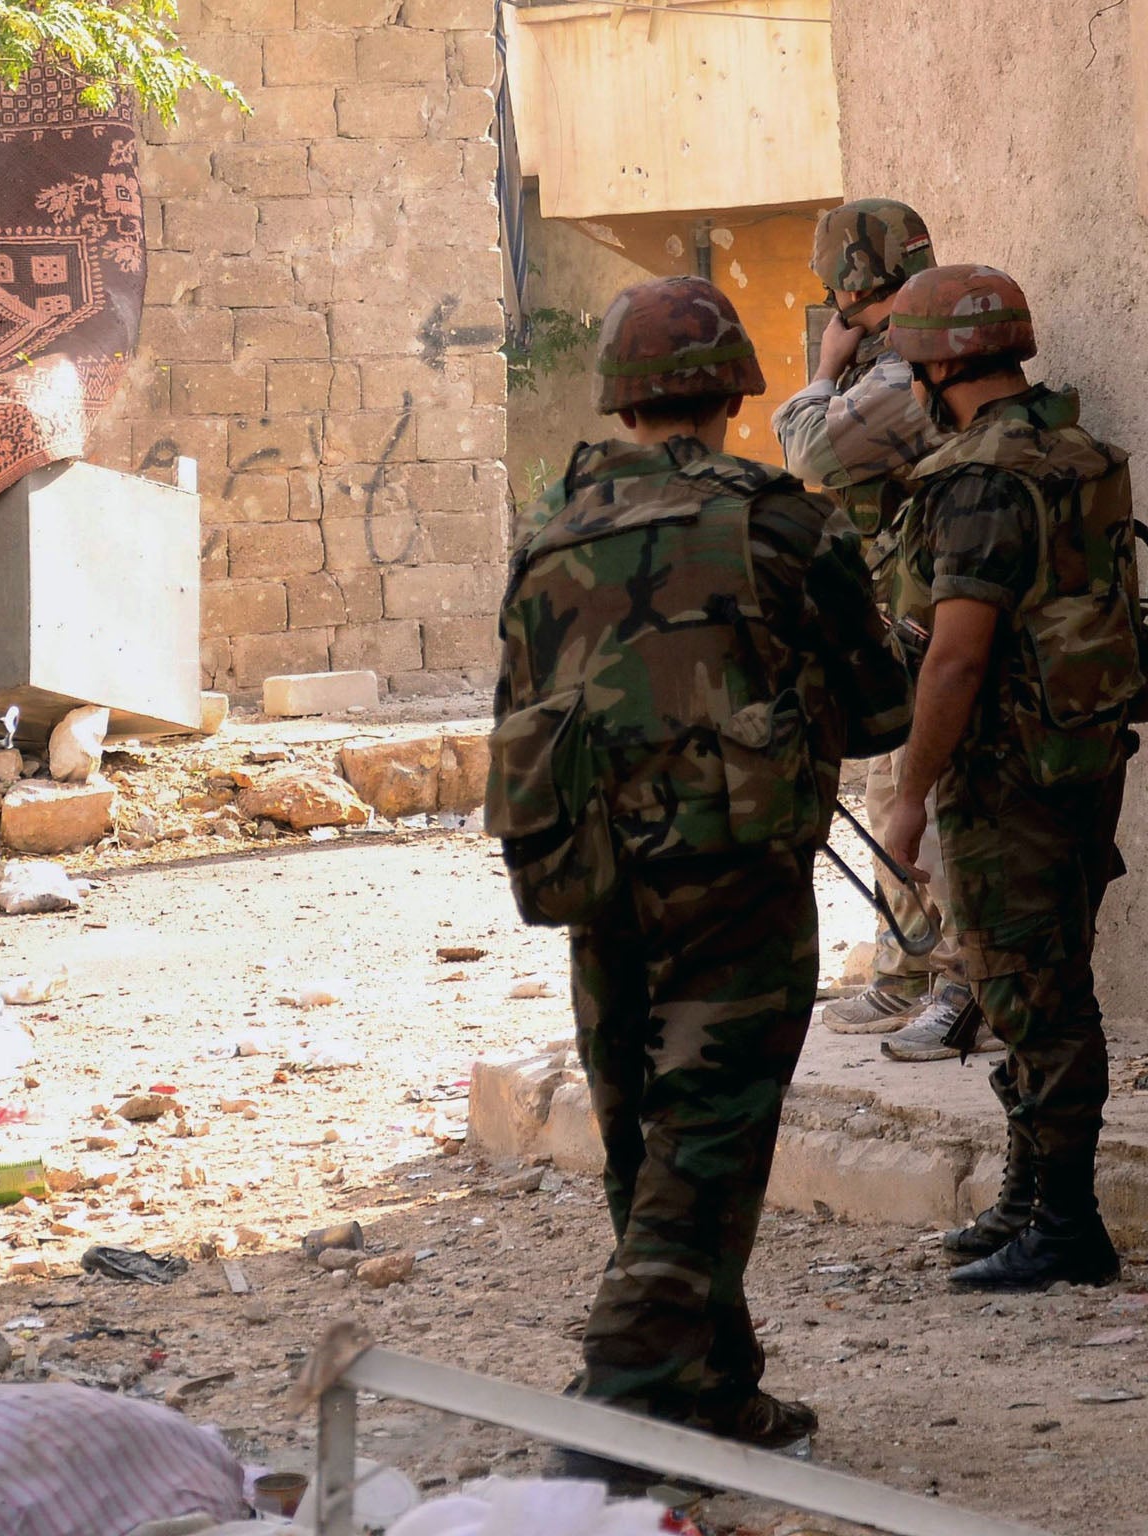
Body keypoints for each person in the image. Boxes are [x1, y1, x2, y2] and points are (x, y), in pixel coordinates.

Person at [487, 276, 913, 1487]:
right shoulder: (785, 521)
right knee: (708, 1132)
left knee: (641, 1131)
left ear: (616, 399)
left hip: (592, 871)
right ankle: (614, 1406)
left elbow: (522, 710)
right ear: (733, 392)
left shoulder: (547, 534)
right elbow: (880, 707)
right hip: (732, 872)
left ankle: (712, 1393)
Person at [878, 265, 1143, 1289]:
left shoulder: (978, 477)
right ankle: (1026, 1200)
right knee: (1038, 979)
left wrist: (906, 796)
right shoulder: (1073, 450)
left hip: (1006, 773)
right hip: (1079, 747)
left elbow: (953, 655)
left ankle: (1065, 1227)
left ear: (942, 361)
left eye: (908, 356)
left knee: (1035, 996)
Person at [773, 200, 976, 1059]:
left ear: (850, 285)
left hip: (943, 607)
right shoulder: (899, 358)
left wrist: (823, 370)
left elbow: (807, 453)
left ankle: (964, 984)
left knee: (943, 807)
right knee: (892, 793)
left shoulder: (903, 370)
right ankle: (908, 966)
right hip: (907, 605)